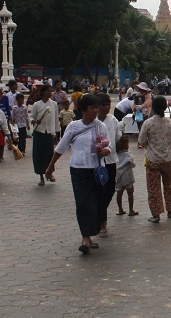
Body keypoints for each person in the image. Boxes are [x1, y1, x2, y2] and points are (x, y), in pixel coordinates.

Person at [45, 93, 111, 255]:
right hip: (79, 169)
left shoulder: (100, 126)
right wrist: (50, 166)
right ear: (83, 110)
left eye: (96, 107)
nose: (95, 111)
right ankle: (85, 237)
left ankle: (92, 232)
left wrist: (104, 151)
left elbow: (110, 147)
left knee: (96, 203)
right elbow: (61, 147)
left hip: (96, 170)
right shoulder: (73, 127)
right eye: (92, 108)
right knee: (82, 203)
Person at [138, 95, 171, 223]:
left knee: (153, 188)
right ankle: (170, 210)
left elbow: (142, 140)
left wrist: (150, 146)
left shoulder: (148, 123)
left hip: (152, 159)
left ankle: (156, 215)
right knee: (169, 184)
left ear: (153, 107)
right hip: (168, 159)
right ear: (166, 107)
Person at [95, 93, 122, 238]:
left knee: (110, 189)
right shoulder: (92, 122)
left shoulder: (113, 120)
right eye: (102, 105)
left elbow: (118, 137)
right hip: (96, 163)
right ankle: (102, 224)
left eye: (107, 104)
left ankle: (99, 212)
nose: (106, 107)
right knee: (100, 192)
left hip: (111, 160)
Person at [30, 85, 58, 186]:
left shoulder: (54, 104)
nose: (50, 93)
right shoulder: (37, 105)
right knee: (39, 155)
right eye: (48, 91)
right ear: (43, 92)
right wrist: (35, 121)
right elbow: (31, 117)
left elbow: (55, 119)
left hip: (49, 132)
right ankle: (41, 176)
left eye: (51, 91)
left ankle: (50, 173)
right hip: (39, 133)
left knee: (50, 154)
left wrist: (56, 133)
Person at [114, 136, 137, 217]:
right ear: (125, 145)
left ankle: (120, 209)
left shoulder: (115, 154)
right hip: (128, 177)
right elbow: (133, 164)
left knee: (119, 193)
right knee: (130, 192)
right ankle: (131, 210)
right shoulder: (128, 155)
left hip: (118, 176)